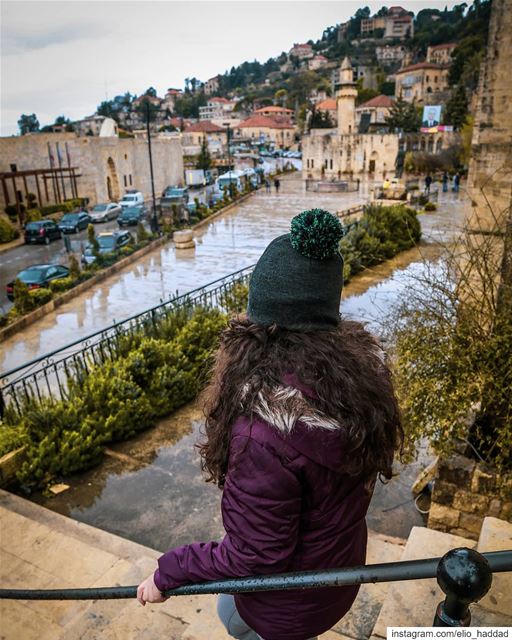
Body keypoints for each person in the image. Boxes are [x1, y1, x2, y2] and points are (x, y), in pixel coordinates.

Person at [137, 209, 403, 640]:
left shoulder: (263, 436)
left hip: (291, 602)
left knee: (234, 618)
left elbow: (254, 556)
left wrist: (169, 572)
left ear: (261, 323)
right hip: (335, 577)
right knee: (230, 605)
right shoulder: (356, 384)